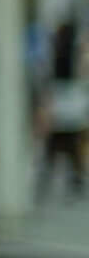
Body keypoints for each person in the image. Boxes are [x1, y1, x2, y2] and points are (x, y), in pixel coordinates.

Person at [36, 17, 84, 204]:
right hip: (67, 104)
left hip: (62, 103)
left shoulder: (60, 54)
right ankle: (73, 179)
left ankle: (50, 179)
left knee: (56, 145)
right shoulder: (70, 53)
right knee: (67, 144)